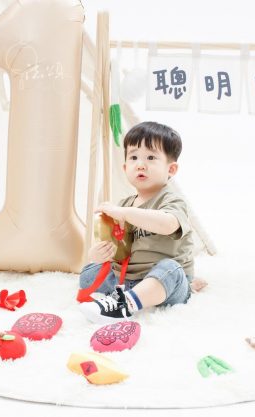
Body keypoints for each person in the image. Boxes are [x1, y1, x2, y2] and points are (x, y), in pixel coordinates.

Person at [79, 121, 206, 324]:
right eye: (133, 157)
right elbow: (119, 249)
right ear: (125, 167)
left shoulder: (172, 201)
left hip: (161, 279)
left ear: (171, 169)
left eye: (151, 157)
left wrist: (125, 213)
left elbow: (168, 224)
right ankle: (134, 294)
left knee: (170, 270)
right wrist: (99, 254)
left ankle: (124, 304)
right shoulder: (125, 204)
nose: (140, 164)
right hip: (128, 278)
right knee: (87, 275)